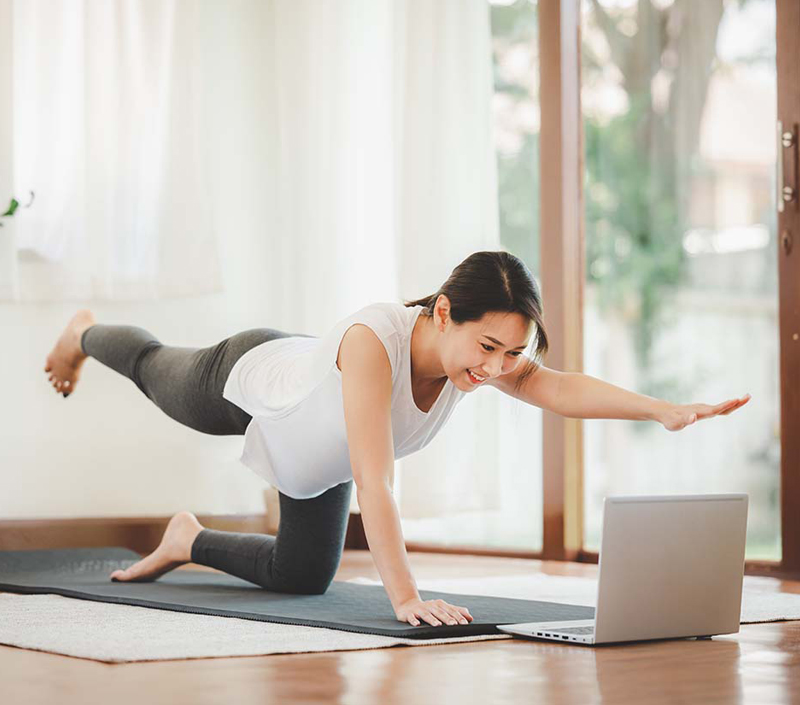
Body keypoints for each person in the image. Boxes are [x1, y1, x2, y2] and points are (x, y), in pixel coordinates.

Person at [43, 250, 750, 629]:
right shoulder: (376, 341)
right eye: (489, 345)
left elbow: (556, 386)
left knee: (300, 576)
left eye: (512, 353)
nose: (498, 367)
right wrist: (403, 593)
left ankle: (187, 538)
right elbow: (375, 481)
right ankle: (83, 331)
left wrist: (659, 409)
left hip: (312, 450)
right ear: (444, 312)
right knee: (153, 368)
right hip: (251, 379)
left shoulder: (476, 359)